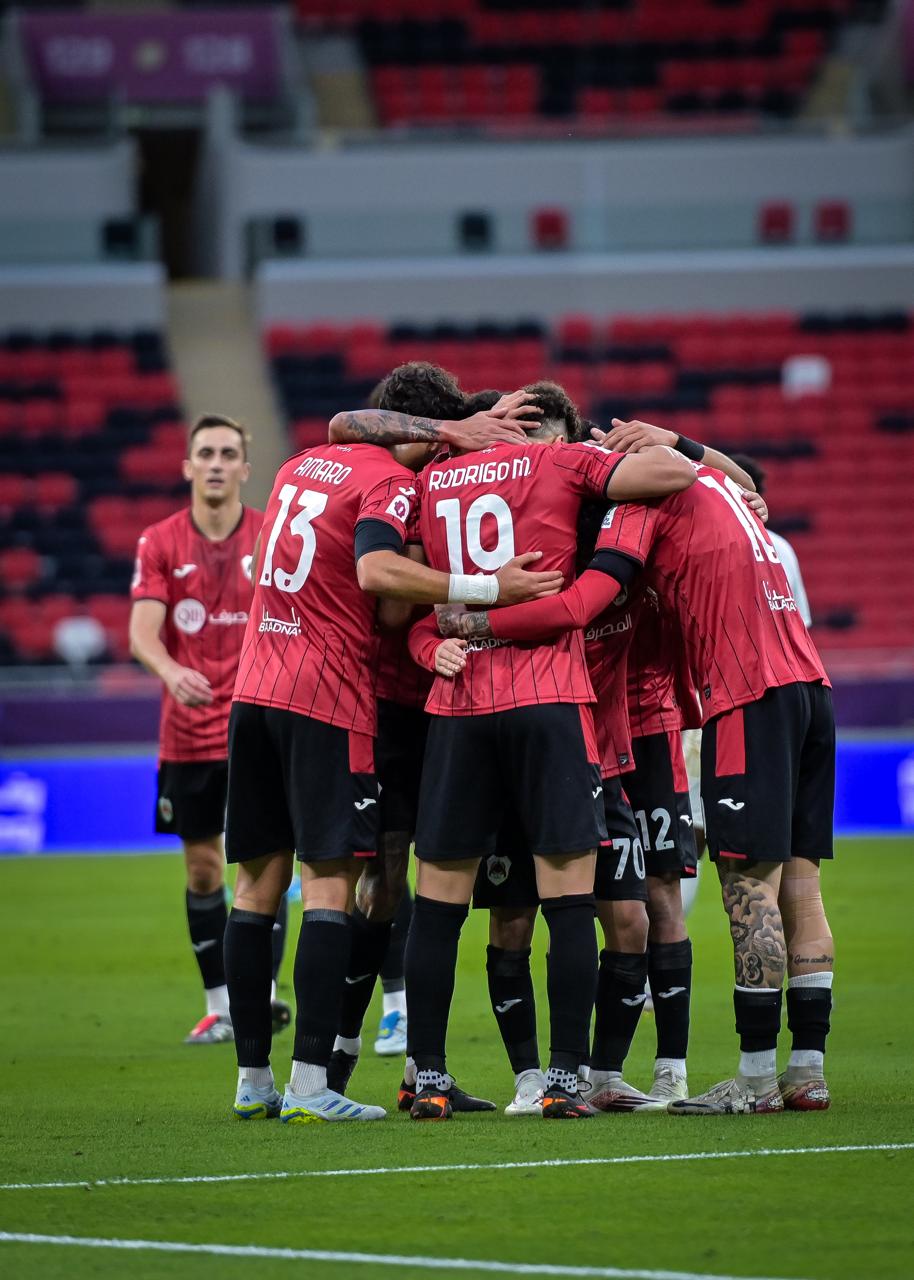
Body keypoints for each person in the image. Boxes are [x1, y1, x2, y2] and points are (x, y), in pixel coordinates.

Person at [440, 420, 835, 1115]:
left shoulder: (636, 506)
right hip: (812, 691)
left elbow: (579, 605)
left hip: (748, 696)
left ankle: (753, 1081)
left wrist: (475, 620)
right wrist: (678, 441)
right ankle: (806, 1073)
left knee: (750, 891)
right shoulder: (720, 482)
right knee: (802, 891)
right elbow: (743, 475)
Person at [224, 402, 565, 1124]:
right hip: (341, 699)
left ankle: (258, 1079)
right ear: (423, 434)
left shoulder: (302, 463)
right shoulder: (392, 484)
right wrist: (485, 585)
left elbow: (343, 421)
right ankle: (316, 1082)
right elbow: (380, 582)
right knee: (340, 888)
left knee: (258, 887)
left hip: (256, 687)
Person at [397, 386, 696, 1121]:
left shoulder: (434, 479)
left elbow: (410, 606)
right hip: (548, 698)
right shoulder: (558, 462)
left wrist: (446, 635)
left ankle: (427, 1077)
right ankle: (565, 1079)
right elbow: (675, 473)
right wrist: (636, 445)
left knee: (437, 907)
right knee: (568, 903)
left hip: (460, 705)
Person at [328, 363, 496, 1114]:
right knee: (393, 889)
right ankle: (346, 1061)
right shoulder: (391, 488)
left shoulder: (421, 484)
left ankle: (411, 1069)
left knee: (420, 888)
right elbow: (393, 612)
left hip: (434, 705)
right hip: (400, 706)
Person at [129, 414, 290, 1045]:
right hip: (190, 733)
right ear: (188, 466)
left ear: (245, 468)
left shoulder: (270, 534)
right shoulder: (160, 541)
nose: (217, 463)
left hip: (258, 725)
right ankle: (221, 1007)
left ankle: (264, 997)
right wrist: (171, 671)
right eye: (206, 453)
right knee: (203, 870)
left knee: (267, 864)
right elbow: (143, 633)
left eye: (228, 453)